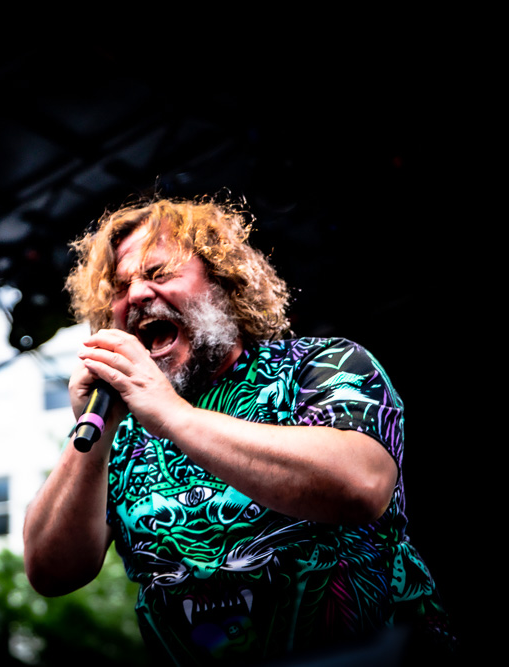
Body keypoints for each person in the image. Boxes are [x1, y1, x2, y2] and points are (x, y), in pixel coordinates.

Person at [22, 196, 453, 664]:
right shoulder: (121, 429)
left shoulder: (319, 366)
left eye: (159, 273)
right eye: (122, 287)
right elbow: (50, 570)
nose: (138, 294)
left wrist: (173, 416)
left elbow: (360, 484)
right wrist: (97, 430)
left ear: (222, 284)